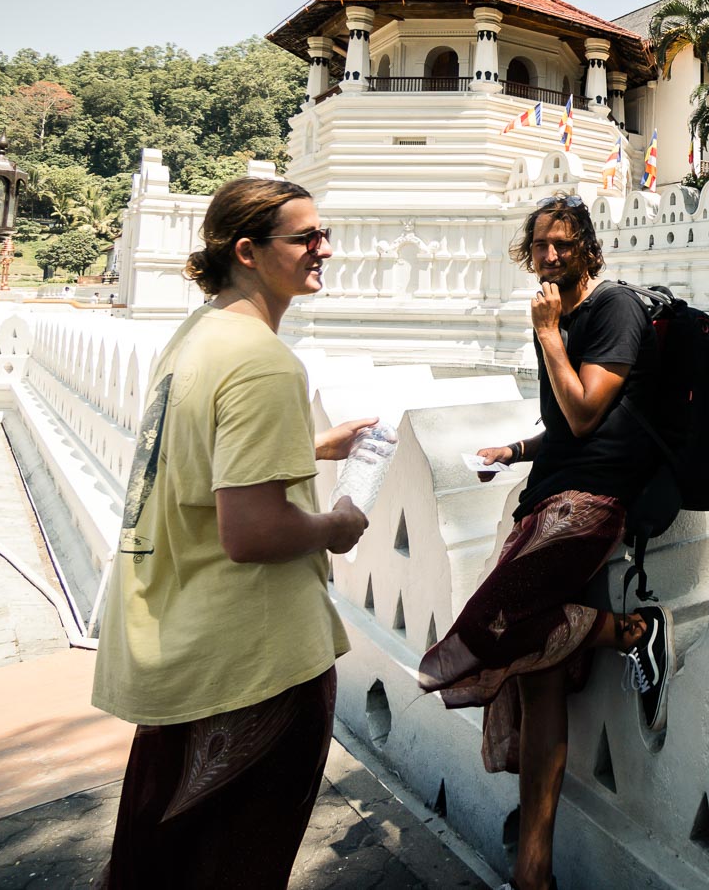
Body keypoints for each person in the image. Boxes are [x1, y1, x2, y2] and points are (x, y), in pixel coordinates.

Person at [92, 177, 378, 889]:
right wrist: (337, 524)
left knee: (158, 867)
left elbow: (194, 456)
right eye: (306, 237)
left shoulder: (197, 335)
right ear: (248, 251)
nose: (325, 248)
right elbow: (252, 530)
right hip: (252, 662)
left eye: (324, 233)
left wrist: (307, 446)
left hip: (181, 646)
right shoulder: (263, 360)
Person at [418, 194, 671, 890]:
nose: (551, 257)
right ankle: (535, 870)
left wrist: (552, 337)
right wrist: (519, 446)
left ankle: (628, 629)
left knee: (492, 629)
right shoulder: (557, 313)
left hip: (591, 502)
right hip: (547, 493)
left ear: (590, 248)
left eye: (564, 244)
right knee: (537, 674)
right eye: (541, 246)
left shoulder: (612, 308)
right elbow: (562, 421)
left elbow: (588, 410)